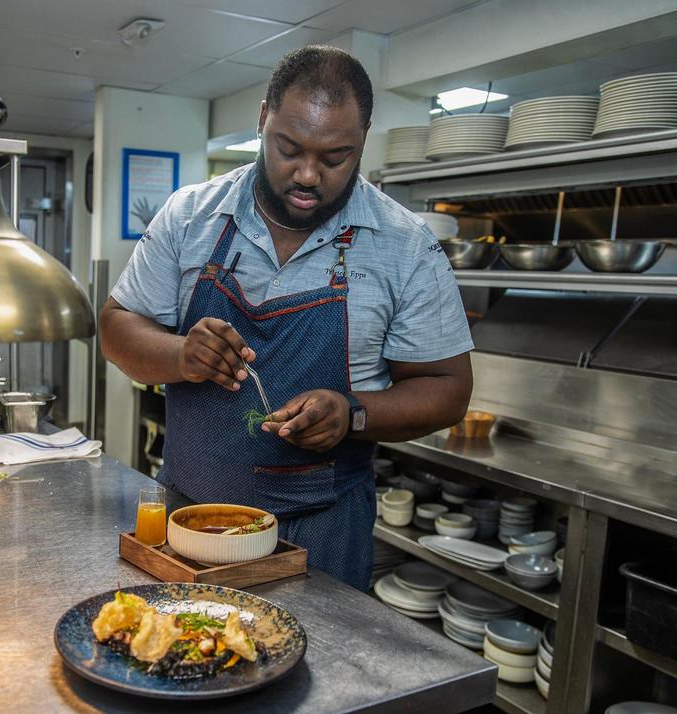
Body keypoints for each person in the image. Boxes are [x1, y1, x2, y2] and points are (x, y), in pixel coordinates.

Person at [100, 46, 474, 591]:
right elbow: (116, 326)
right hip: (189, 519)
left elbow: (449, 388)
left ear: (364, 137)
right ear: (262, 118)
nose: (307, 174)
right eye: (288, 147)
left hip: (321, 537)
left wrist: (352, 414)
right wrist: (179, 355)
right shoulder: (191, 215)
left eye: (335, 157)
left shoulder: (405, 246)